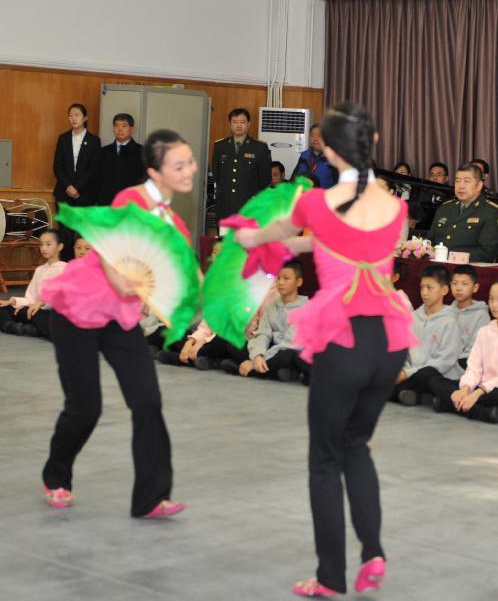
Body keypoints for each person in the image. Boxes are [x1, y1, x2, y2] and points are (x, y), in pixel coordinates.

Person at [234, 102, 415, 597]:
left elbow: (266, 233)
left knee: (324, 459)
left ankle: (331, 576)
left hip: (343, 335)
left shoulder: (315, 202)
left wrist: (247, 234)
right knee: (357, 445)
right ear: (374, 144)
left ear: (328, 150)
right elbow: (353, 248)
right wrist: (299, 246)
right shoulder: (394, 206)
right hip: (389, 339)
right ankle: (373, 552)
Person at [40, 129, 194, 518]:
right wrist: (117, 277)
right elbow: (108, 246)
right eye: (180, 164)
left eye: (189, 162)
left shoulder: (176, 222)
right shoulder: (131, 198)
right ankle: (56, 475)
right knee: (86, 407)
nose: (189, 169)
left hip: (118, 317)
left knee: (147, 400)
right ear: (156, 171)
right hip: (79, 309)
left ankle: (150, 498)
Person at [428, 278, 498, 424]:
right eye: (491, 298)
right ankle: (482, 412)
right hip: (478, 385)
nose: (494, 304)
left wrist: (477, 393)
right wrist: (465, 388)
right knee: (435, 380)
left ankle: (449, 404)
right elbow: (474, 366)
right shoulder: (485, 331)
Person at [394, 264, 463, 406]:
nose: (424, 292)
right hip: (413, 374)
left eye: (429, 288)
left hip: (439, 376)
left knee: (427, 373)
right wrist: (401, 370)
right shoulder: (413, 317)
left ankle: (416, 395)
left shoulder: (450, 321)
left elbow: (444, 361)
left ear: (444, 290)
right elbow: (405, 350)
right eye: (422, 287)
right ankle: (423, 397)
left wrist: (407, 373)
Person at [231, 262, 310, 382]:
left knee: (287, 355)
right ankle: (277, 372)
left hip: (292, 350)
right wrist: (258, 355)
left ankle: (246, 369)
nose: (281, 282)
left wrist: (256, 361)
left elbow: (290, 343)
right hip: (273, 350)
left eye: (286, 278)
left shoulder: (306, 307)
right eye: (278, 278)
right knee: (235, 344)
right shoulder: (272, 306)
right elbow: (263, 333)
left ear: (299, 282)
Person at [425, 163, 498, 262]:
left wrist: (450, 258)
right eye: (457, 181)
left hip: (468, 269)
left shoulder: (491, 211)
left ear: (479, 185)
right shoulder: (445, 208)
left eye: (466, 181)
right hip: (437, 266)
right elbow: (429, 241)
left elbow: (487, 253)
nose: (460, 186)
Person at [0, 228, 66, 338]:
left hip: (50, 313)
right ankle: (15, 327)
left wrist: (41, 304)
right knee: (4, 308)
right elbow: (30, 298)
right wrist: (11, 301)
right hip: (33, 310)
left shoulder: (66, 269)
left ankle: (30, 329)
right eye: (41, 244)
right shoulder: (39, 270)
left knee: (41, 316)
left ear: (60, 246)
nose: (43, 248)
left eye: (48, 244)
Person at [212, 108, 272, 223]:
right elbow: (216, 174)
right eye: (235, 122)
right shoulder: (220, 146)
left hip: (249, 206)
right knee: (226, 239)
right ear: (230, 124)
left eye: (242, 122)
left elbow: (265, 178)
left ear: (248, 124)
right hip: (225, 206)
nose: (238, 125)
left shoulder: (259, 147)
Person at [53, 103, 102, 209]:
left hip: (85, 194)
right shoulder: (63, 138)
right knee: (63, 226)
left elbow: (93, 168)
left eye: (77, 115)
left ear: (85, 118)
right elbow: (57, 166)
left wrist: (77, 187)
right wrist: (69, 186)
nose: (73, 118)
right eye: (70, 115)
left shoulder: (94, 140)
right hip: (64, 193)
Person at [97, 113, 144, 205]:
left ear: (131, 129)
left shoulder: (142, 151)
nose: (119, 129)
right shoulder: (103, 151)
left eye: (124, 126)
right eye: (116, 126)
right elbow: (98, 179)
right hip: (107, 203)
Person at [450, 264, 490, 370]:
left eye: (464, 284)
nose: (458, 288)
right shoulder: (447, 311)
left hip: (465, 362)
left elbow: (475, 349)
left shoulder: (481, 316)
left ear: (475, 287)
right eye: (454, 283)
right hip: (444, 359)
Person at [291, 123, 338, 189]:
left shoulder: (332, 158)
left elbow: (339, 184)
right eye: (312, 135)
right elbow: (294, 178)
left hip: (324, 197)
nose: (315, 138)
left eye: (319, 135)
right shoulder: (304, 156)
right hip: (305, 196)